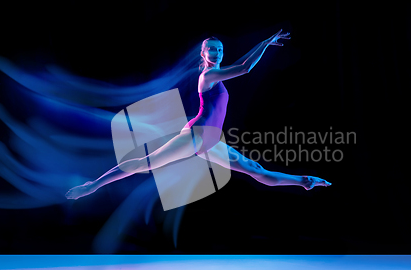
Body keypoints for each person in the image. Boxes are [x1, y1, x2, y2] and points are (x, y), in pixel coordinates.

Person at [65, 29, 331, 200]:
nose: (216, 53)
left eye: (220, 49)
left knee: (255, 169)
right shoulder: (208, 75)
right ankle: (92, 185)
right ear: (203, 54)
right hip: (196, 135)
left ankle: (304, 181)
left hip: (211, 141)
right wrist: (265, 43)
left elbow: (240, 66)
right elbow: (245, 67)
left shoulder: (217, 76)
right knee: (145, 163)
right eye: (211, 49)